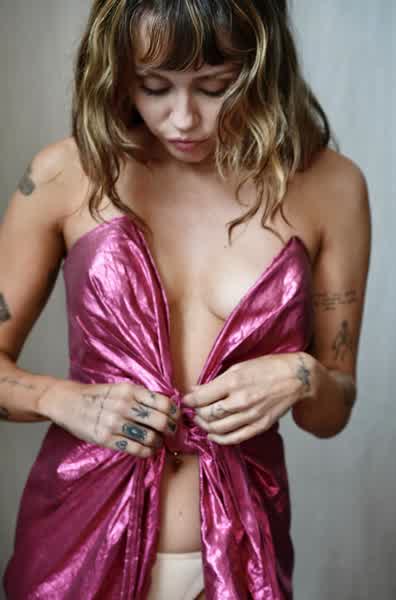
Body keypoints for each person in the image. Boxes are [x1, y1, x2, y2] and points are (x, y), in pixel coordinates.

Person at [0, 1, 371, 598]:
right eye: (153, 87)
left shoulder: (332, 187)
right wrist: (60, 399)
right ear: (118, 71)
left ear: (260, 67)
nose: (183, 119)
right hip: (75, 550)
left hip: (243, 555)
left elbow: (331, 412)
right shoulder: (62, 175)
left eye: (215, 87)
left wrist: (303, 376)